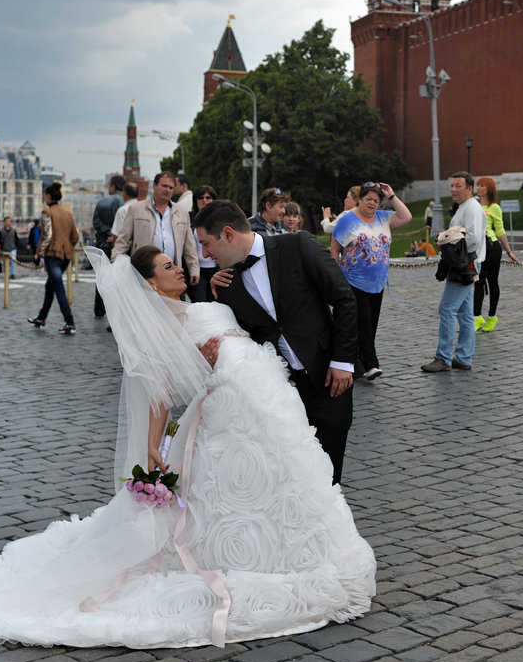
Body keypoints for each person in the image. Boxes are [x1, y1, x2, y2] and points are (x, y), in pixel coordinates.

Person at [0, 244, 375, 649]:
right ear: (148, 284)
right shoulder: (160, 326)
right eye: (167, 267)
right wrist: (151, 447)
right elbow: (159, 391)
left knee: (288, 486)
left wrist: (222, 289)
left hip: (269, 405)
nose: (179, 268)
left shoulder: (200, 300)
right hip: (234, 414)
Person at [195, 200, 359, 485]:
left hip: (328, 379)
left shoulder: (298, 246)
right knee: (287, 479)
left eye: (207, 244)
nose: (205, 254)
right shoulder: (224, 285)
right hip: (276, 396)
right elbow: (240, 339)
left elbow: (344, 299)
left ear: (229, 234)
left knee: (329, 480)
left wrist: (342, 361)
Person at [330, 182, 412, 382]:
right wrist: (335, 276)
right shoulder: (347, 219)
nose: (372, 204)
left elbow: (406, 216)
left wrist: (391, 196)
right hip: (353, 280)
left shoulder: (384, 217)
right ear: (360, 199)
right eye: (368, 199)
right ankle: (371, 365)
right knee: (364, 321)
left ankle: (355, 361)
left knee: (370, 324)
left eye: (376, 200)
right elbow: (334, 248)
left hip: (377, 282)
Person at [422, 173, 485, 373]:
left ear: (469, 188)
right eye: (451, 185)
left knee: (447, 309)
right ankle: (464, 357)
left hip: (465, 265)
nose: (453, 189)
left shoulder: (472, 209)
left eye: (458, 185)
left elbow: (473, 239)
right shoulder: (466, 207)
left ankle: (443, 358)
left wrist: (447, 244)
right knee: (465, 313)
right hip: (467, 264)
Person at [112, 171, 199, 288]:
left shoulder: (182, 212)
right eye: (164, 186)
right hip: (144, 275)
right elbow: (123, 241)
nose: (167, 190)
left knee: (173, 305)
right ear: (154, 185)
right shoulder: (136, 209)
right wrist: (115, 265)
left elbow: (189, 245)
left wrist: (194, 269)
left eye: (171, 187)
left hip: (173, 275)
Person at [29, 182, 80, 334]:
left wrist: (39, 253)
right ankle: (41, 318)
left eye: (45, 195)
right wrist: (67, 246)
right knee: (50, 286)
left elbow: (47, 236)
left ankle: (70, 322)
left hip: (52, 255)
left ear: (49, 196)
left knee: (58, 289)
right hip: (66, 256)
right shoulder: (68, 214)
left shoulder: (47, 212)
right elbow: (75, 236)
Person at [472, 177, 520, 332]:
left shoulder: (494, 208)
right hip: (477, 249)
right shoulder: (473, 204)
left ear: (489, 188)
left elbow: (500, 230)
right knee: (477, 281)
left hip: (492, 248)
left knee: (492, 282)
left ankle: (492, 317)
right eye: (478, 185)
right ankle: (476, 317)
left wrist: (509, 251)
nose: (478, 188)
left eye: (482, 186)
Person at [92, 175, 126, 318]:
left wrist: (107, 232)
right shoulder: (125, 204)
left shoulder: (102, 202)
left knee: (102, 276)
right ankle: (118, 310)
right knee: (120, 279)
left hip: (103, 243)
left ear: (112, 186)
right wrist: (115, 234)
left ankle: (99, 310)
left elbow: (96, 223)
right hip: (120, 245)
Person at [188, 186, 218, 303]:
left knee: (216, 302)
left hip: (216, 269)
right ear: (195, 201)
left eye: (208, 197)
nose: (204, 200)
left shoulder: (220, 219)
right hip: (197, 270)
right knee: (200, 303)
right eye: (201, 197)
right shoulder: (189, 218)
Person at [0, 216, 19, 280]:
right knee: (6, 263)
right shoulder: (1, 231)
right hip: (5, 249)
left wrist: (15, 246)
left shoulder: (13, 230)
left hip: (12, 248)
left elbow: (16, 239)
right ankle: (7, 274)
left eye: (9, 221)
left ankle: (12, 274)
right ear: (4, 222)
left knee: (13, 262)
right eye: (7, 222)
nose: (8, 223)